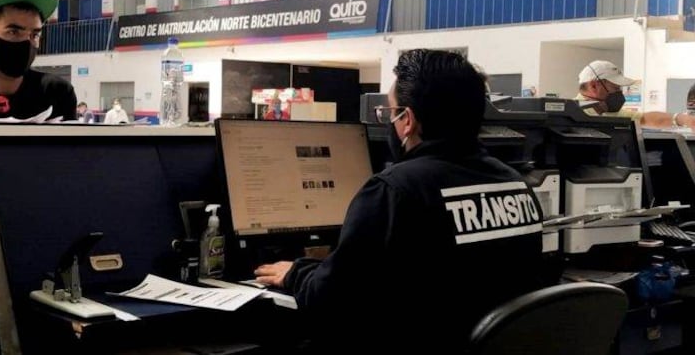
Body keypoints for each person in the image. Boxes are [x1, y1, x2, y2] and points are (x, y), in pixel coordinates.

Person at [253, 50, 545, 353]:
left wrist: (297, 273)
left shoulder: (394, 191)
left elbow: (330, 300)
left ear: (407, 120)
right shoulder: (516, 184)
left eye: (390, 112)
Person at [576, 60, 695, 130]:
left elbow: (644, 119)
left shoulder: (609, 112)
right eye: (616, 88)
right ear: (594, 86)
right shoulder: (574, 115)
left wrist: (682, 119)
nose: (619, 93)